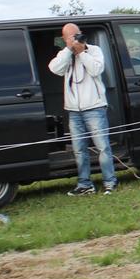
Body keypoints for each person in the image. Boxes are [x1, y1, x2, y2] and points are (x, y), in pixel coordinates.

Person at [49, 23, 118, 195]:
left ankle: (110, 181)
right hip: (74, 110)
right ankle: (85, 184)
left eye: (77, 35)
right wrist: (69, 50)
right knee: (79, 149)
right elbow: (55, 69)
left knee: (102, 147)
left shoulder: (94, 50)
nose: (75, 39)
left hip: (95, 107)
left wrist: (81, 52)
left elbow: (96, 70)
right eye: (70, 37)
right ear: (64, 39)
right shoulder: (64, 54)